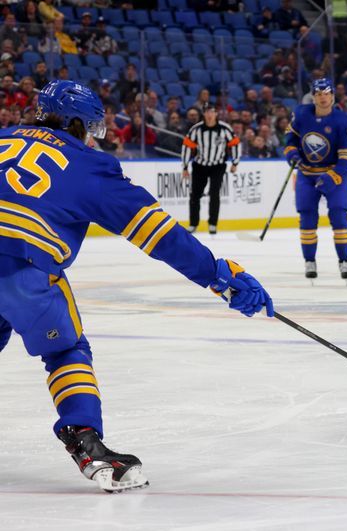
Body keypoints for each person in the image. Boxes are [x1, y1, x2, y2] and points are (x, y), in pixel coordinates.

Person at [0, 80, 273, 493]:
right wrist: (219, 275)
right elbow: (159, 235)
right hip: (24, 269)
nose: (92, 138)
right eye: (91, 129)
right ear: (77, 124)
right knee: (64, 349)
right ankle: (85, 441)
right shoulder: (90, 166)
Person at [283, 78, 347, 280]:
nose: (323, 98)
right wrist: (293, 155)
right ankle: (310, 261)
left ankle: (344, 261)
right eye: (319, 94)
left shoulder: (343, 121)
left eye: (327, 94)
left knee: (339, 217)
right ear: (313, 96)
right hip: (307, 175)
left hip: (333, 175)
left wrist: (332, 176)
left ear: (333, 96)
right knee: (307, 217)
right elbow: (289, 141)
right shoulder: (300, 114)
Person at [181, 102, 241, 235]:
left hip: (218, 166)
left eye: (212, 112)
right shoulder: (196, 129)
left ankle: (213, 224)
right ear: (203, 114)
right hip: (200, 166)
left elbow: (235, 144)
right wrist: (185, 166)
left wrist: (235, 163)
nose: (209, 115)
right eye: (207, 112)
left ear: (216, 113)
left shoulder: (224, 129)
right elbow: (186, 147)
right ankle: (193, 224)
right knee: (195, 195)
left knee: (214, 194)